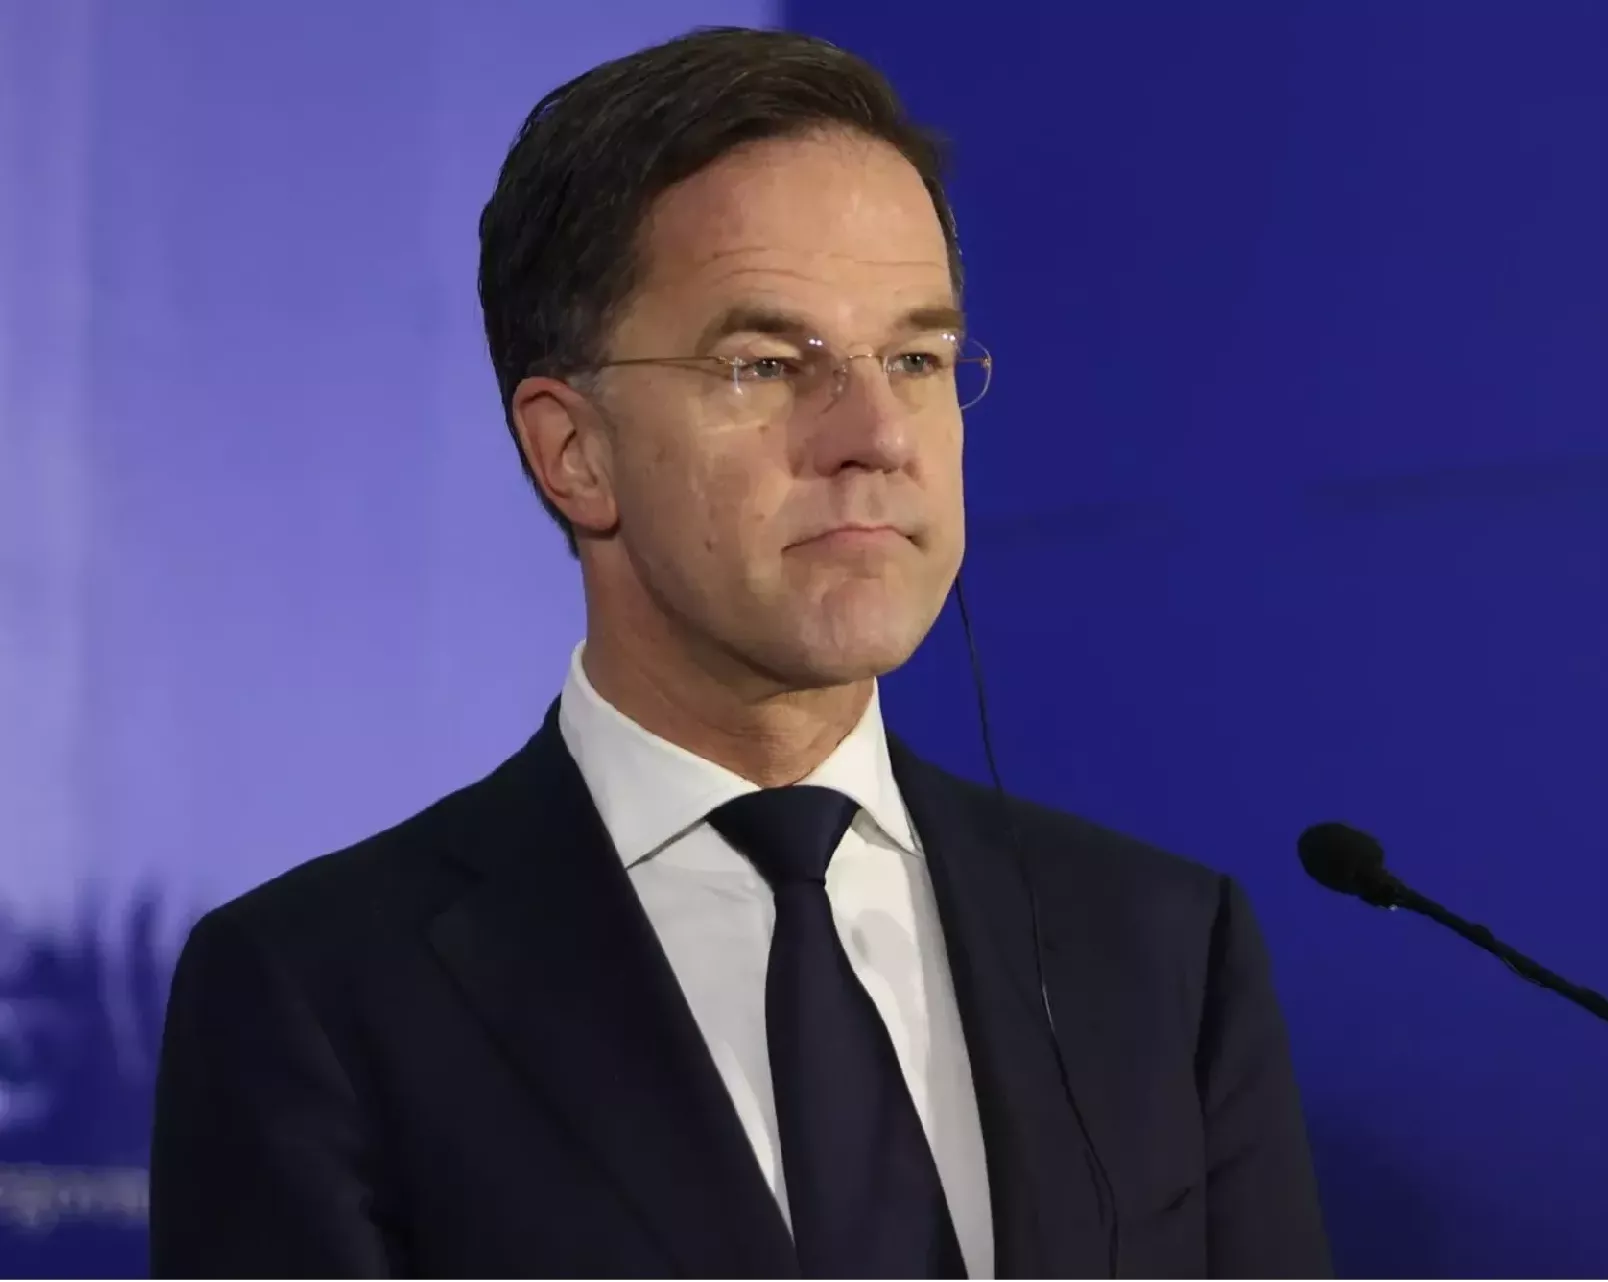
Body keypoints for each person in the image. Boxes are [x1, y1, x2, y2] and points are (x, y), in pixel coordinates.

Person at [148, 26, 1332, 1282]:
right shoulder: (322, 996)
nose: (875, 433)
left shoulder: (1160, 949)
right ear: (572, 452)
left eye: (915, 358)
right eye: (765, 364)